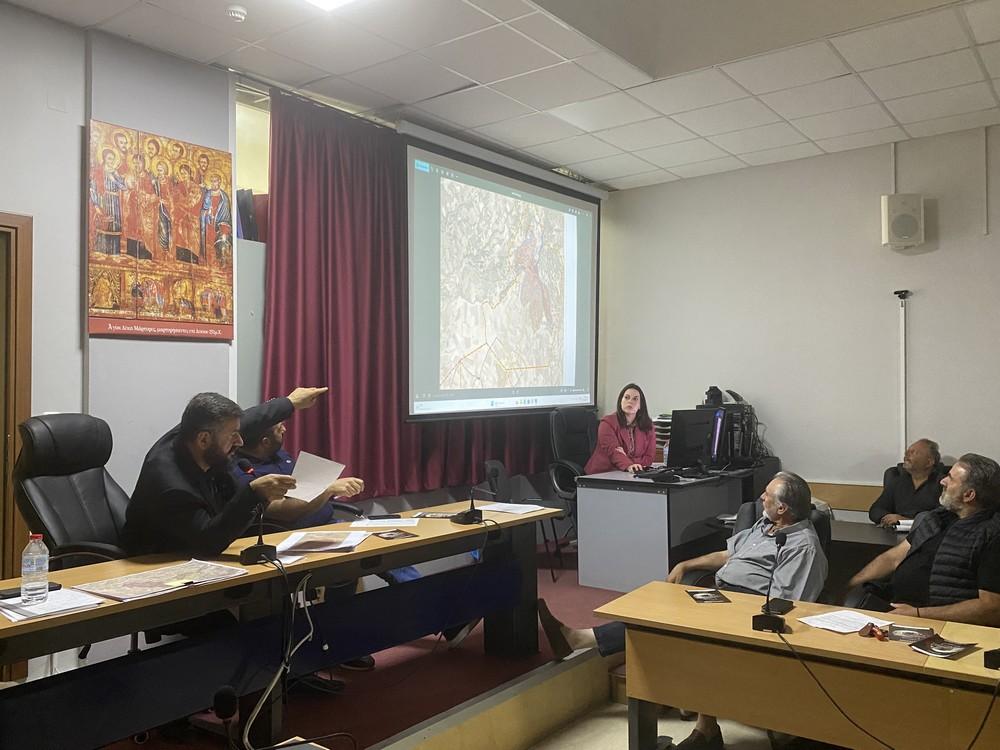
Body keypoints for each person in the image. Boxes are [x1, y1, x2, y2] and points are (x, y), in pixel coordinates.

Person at [537, 471, 827, 750]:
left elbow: (787, 603)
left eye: (767, 494)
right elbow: (728, 555)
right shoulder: (765, 526)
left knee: (677, 629)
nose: (761, 497)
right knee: (654, 612)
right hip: (722, 596)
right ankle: (586, 641)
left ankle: (703, 726)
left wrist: (733, 610)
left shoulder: (803, 547)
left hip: (745, 609)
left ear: (782, 508)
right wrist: (686, 564)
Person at [122, 387, 326, 557]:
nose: (240, 442)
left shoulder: (193, 432)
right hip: (158, 563)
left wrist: (290, 403)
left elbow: (250, 419)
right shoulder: (172, 486)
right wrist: (253, 493)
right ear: (204, 439)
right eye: (233, 435)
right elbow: (208, 541)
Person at [848, 453, 1000, 626]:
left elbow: (991, 608)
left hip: (937, 623)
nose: (942, 481)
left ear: (969, 495)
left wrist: (918, 614)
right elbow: (892, 558)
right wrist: (851, 584)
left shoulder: (991, 534)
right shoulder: (938, 518)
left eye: (950, 478)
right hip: (897, 608)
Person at [232, 391, 364, 527]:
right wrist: (328, 489)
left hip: (330, 524)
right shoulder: (241, 472)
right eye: (279, 429)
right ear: (265, 442)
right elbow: (285, 512)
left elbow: (304, 488)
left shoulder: (279, 454)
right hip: (295, 533)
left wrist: (331, 486)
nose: (284, 430)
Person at [868, 438, 948, 527]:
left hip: (927, 533)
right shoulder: (898, 481)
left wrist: (907, 521)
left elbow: (944, 517)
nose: (906, 455)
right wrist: (887, 518)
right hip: (895, 532)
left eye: (913, 452)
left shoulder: (944, 484)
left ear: (929, 462)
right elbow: (876, 510)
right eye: (907, 452)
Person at [584, 383, 657, 474]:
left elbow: (649, 457)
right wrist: (630, 464)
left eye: (635, 399)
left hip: (633, 473)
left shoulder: (648, 426)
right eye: (626, 397)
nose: (630, 401)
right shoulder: (607, 423)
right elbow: (613, 452)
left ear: (640, 405)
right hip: (603, 473)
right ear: (620, 401)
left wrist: (629, 460)